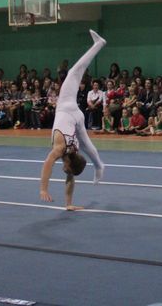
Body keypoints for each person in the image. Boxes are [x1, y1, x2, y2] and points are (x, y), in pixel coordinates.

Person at [40, 31, 107, 210]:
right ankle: (99, 44)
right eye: (68, 169)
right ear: (70, 162)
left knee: (86, 144)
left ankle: (99, 166)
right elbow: (47, 164)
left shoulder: (73, 153)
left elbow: (70, 178)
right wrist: (43, 189)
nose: (66, 171)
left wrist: (69, 204)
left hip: (76, 117)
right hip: (67, 106)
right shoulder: (62, 149)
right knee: (74, 72)